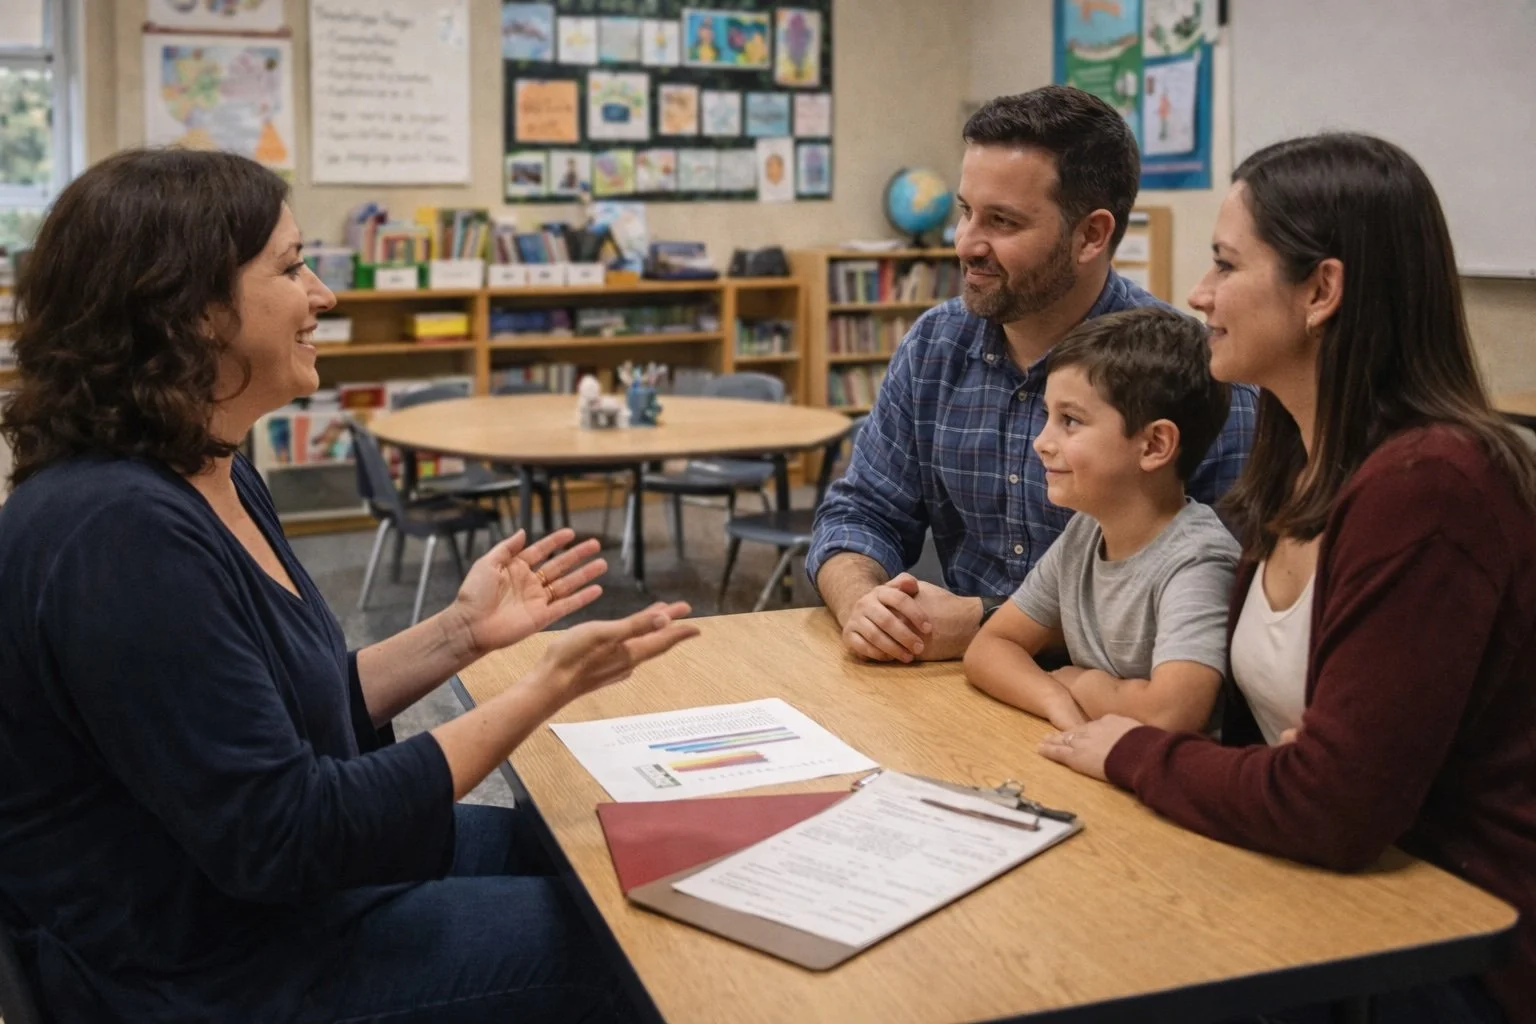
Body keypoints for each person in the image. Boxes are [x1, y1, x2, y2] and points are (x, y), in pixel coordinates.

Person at [0, 148, 699, 1023]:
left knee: (600, 845)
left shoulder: (209, 472)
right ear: (188, 307)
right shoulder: (117, 535)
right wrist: (544, 690)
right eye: (292, 268)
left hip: (266, 909)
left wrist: (458, 635)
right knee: (630, 942)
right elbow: (289, 836)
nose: (323, 296)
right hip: (205, 972)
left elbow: (281, 711)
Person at [1038, 133, 1536, 1023]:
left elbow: (1335, 806)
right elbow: (1292, 766)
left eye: (1226, 264)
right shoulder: (1295, 464)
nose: (1198, 295)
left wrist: (1133, 748)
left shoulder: (1431, 486)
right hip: (1319, 894)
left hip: (1453, 936)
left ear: (1322, 291)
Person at [807, 86, 1256, 665]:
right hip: (958, 684)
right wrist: (865, 604)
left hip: (1110, 708)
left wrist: (989, 623)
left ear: (1091, 235)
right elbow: (861, 511)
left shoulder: (1194, 374)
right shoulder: (936, 347)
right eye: (966, 212)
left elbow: (1225, 598)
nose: (967, 244)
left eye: (1003, 222)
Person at [965, 307, 1239, 734]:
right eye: (1048, 416)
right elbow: (989, 647)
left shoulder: (1198, 561)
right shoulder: (1085, 531)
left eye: (1070, 421)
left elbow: (1172, 715)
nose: (1041, 442)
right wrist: (1053, 697)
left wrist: (1081, 682)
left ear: (1154, 445)